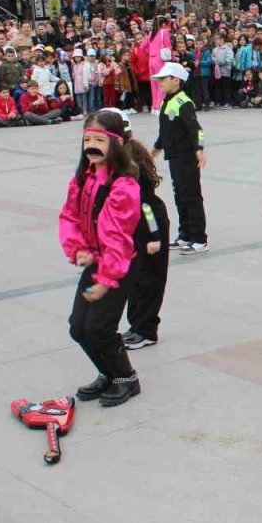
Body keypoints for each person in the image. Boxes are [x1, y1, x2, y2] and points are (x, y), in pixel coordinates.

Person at [59, 110, 143, 408]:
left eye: (99, 139)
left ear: (116, 144)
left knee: (98, 327)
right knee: (77, 326)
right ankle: (108, 372)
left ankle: (126, 378)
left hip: (118, 267)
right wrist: (76, 247)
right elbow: (69, 216)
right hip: (96, 261)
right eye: (87, 139)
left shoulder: (124, 186)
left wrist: (107, 280)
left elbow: (118, 239)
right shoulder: (84, 178)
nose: (91, 145)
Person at [100, 108, 170, 352]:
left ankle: (146, 330)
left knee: (149, 279)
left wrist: (152, 236)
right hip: (135, 225)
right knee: (136, 279)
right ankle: (136, 325)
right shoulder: (118, 155)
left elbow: (146, 205)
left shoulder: (129, 159)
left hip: (149, 223)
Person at [151, 62, 208, 255]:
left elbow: (196, 130)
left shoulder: (184, 103)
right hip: (174, 157)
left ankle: (199, 239)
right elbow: (165, 130)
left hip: (186, 157)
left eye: (163, 78)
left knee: (191, 197)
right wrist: (156, 149)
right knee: (180, 196)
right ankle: (185, 234)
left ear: (176, 80)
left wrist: (199, 149)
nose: (159, 82)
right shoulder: (166, 101)